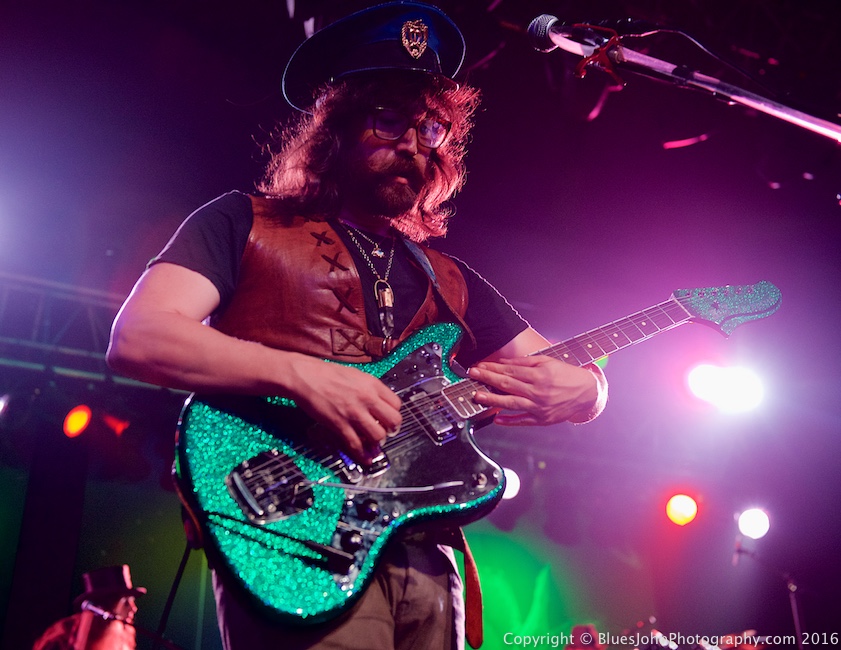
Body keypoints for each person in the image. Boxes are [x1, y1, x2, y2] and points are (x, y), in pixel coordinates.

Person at [106, 2, 607, 649]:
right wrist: (304, 375)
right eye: (389, 119)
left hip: (428, 551)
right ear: (333, 129)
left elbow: (557, 363)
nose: (413, 144)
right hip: (295, 527)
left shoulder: (450, 278)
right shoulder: (243, 222)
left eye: (430, 129)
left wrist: (591, 393)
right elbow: (140, 336)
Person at [32, 565, 145, 650]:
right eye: (126, 602)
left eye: (132, 601)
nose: (133, 608)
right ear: (107, 603)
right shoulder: (63, 632)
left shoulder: (125, 636)